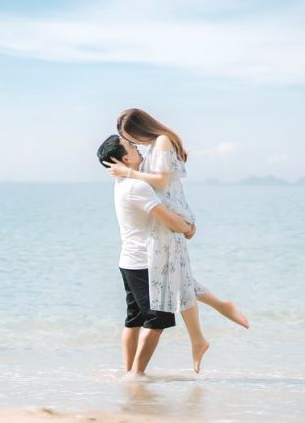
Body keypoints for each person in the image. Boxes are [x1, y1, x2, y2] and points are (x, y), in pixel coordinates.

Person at [105, 108, 249, 374]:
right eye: (129, 142)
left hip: (168, 220)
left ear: (140, 128)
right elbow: (159, 186)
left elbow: (161, 181)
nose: (135, 144)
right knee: (179, 280)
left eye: (131, 137)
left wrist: (129, 173)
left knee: (177, 281)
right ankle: (208, 323)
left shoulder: (160, 143)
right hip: (163, 225)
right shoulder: (152, 150)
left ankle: (200, 335)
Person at [97, 134, 196, 379]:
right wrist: (188, 227)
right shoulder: (136, 186)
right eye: (132, 146)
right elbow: (166, 217)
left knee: (135, 317)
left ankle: (129, 371)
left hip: (129, 261)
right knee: (158, 318)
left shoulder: (123, 183)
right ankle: (136, 373)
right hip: (144, 262)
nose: (138, 148)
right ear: (125, 158)